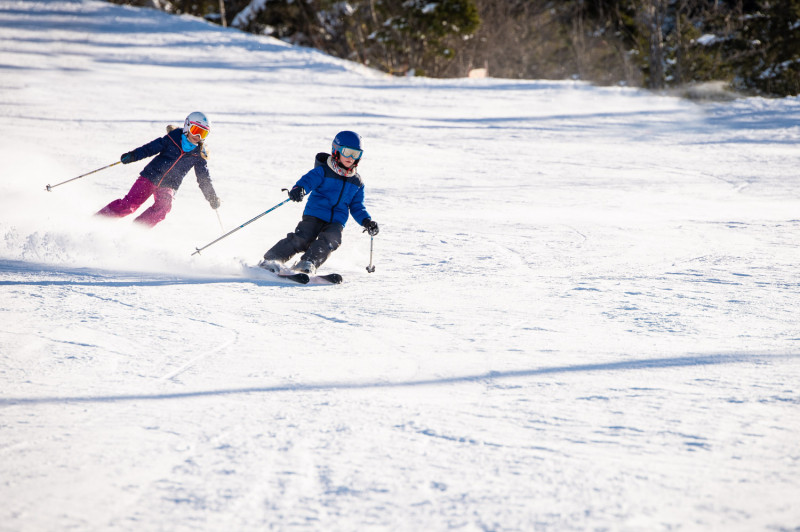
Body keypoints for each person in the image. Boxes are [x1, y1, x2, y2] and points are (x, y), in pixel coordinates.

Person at [259, 130, 379, 274]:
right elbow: (308, 181)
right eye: (347, 152)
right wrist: (300, 189)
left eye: (356, 154)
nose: (351, 157)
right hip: (315, 213)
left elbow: (357, 206)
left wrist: (366, 221)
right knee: (303, 239)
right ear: (336, 150)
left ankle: (307, 263)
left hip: (337, 220)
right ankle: (271, 260)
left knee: (331, 240)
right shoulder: (324, 171)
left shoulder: (357, 182)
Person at [96, 111, 220, 227]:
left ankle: (137, 230)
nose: (198, 136)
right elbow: (150, 148)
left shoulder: (199, 154)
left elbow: (204, 178)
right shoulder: (172, 139)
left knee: (164, 206)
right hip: (150, 176)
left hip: (169, 185)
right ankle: (99, 220)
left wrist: (212, 197)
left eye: (203, 133)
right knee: (129, 205)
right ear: (187, 125)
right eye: (196, 130)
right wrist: (133, 155)